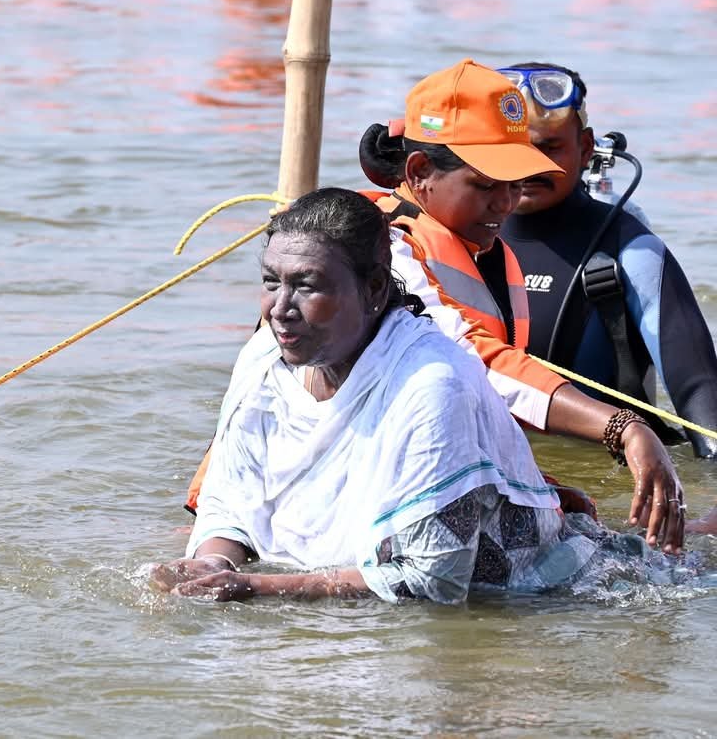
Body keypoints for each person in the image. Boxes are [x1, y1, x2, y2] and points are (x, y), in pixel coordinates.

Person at [153, 189, 714, 605]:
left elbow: (434, 578)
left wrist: (256, 587)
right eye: (272, 281)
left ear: (374, 289)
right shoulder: (264, 360)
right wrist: (209, 565)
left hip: (558, 592)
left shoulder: (431, 385)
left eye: (307, 285)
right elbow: (232, 500)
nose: (279, 307)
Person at [355, 59, 687, 552]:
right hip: (333, 492)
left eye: (516, 181)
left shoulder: (487, 250)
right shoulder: (383, 249)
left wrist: (537, 486)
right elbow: (478, 363)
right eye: (487, 184)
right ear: (421, 172)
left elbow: (481, 412)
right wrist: (624, 426)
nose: (506, 204)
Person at [493, 62, 717, 459]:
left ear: (584, 149)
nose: (528, 165)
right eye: (514, 148)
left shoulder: (632, 252)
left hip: (597, 472)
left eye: (548, 147)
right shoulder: (443, 240)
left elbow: (700, 393)